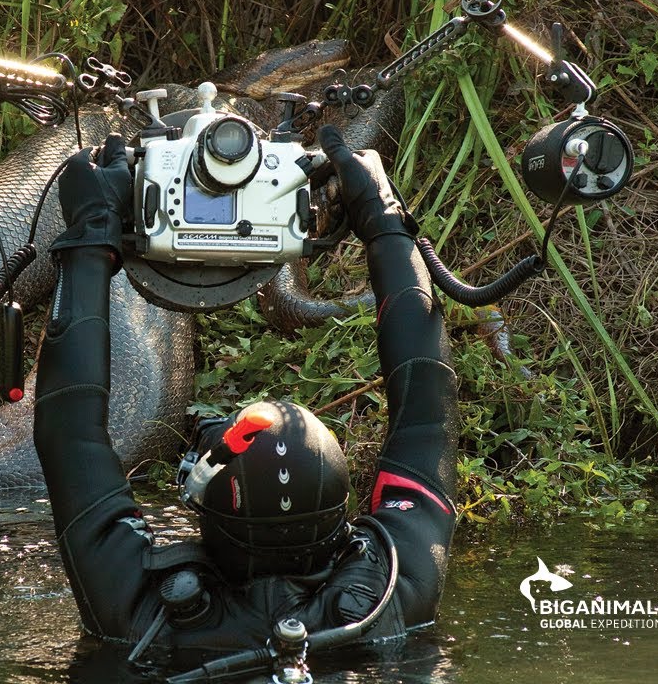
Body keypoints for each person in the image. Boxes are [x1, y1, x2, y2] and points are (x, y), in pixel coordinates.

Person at [32, 125, 460, 665]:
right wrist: (387, 223)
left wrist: (93, 231)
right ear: (343, 503)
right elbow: (429, 404)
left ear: (205, 508)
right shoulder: (398, 591)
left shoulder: (140, 612)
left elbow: (66, 430)